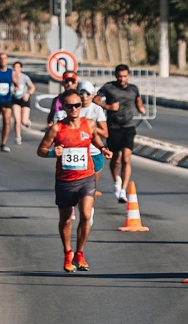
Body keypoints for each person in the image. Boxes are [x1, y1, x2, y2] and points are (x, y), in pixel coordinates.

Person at [36, 89, 112, 272]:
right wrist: (54, 153)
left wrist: (102, 149)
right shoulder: (57, 128)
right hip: (65, 181)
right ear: (64, 107)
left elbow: (95, 140)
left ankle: (80, 253)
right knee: (66, 219)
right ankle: (67, 252)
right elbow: (41, 150)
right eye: (69, 106)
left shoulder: (90, 124)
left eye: (77, 105)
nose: (74, 109)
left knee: (86, 215)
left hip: (86, 178)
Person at [93, 64, 145, 203]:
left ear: (128, 76)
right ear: (116, 76)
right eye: (120, 76)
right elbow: (95, 100)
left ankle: (123, 190)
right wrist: (108, 107)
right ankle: (116, 180)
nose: (122, 79)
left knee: (126, 158)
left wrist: (140, 108)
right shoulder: (109, 87)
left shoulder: (133, 88)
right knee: (115, 160)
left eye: (125, 76)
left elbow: (138, 99)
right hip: (113, 127)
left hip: (128, 127)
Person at [78, 80, 109, 206]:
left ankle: (88, 213)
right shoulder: (73, 108)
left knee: (90, 188)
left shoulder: (96, 110)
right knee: (78, 186)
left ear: (92, 95)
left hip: (94, 153)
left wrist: (90, 125)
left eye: (87, 94)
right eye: (81, 94)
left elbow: (105, 133)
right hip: (78, 153)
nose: (84, 97)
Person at [11, 61, 36, 144]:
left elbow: (32, 87)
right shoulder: (10, 77)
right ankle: (18, 137)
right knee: (17, 120)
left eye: (18, 67)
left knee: (23, 121)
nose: (16, 69)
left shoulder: (24, 77)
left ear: (21, 68)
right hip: (15, 100)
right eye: (15, 67)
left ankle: (27, 122)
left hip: (24, 99)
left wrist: (28, 94)